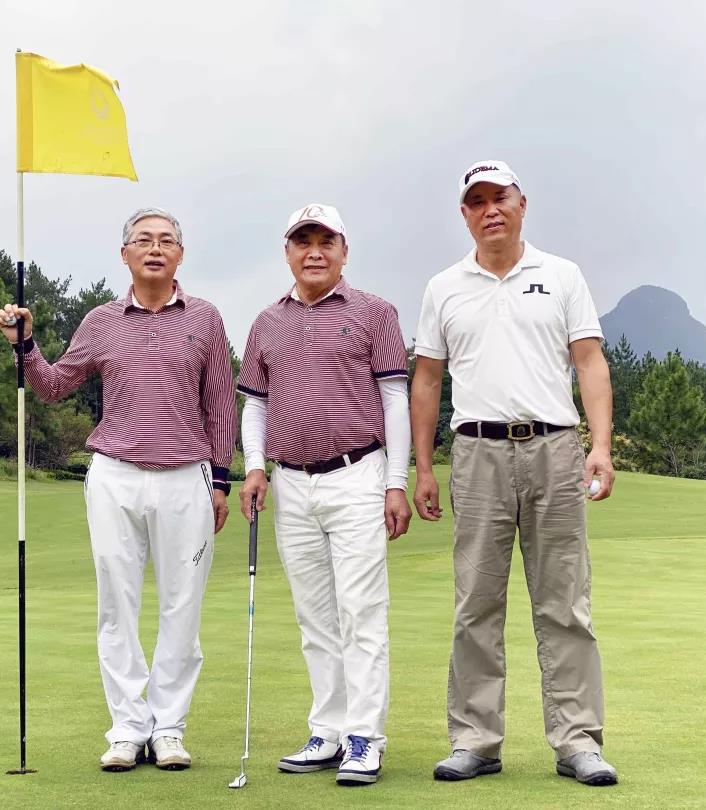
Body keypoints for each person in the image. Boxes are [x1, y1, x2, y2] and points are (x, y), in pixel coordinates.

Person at [0, 208, 236, 773]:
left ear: (180, 255)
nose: (155, 248)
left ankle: (168, 729)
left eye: (167, 240)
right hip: (114, 476)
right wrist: (24, 345)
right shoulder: (101, 319)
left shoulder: (205, 317)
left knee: (182, 607)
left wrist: (221, 478)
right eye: (143, 240)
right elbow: (53, 385)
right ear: (124, 254)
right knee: (116, 606)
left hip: (187, 476)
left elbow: (221, 403)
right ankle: (128, 728)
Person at [410, 161, 618, 787]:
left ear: (522, 203)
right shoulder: (444, 287)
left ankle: (577, 740)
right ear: (464, 214)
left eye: (500, 197)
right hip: (477, 453)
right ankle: (475, 739)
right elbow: (427, 379)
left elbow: (589, 362)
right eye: (477, 202)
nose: (490, 210)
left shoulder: (562, 275)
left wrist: (600, 445)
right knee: (476, 602)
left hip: (554, 447)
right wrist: (423, 466)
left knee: (565, 602)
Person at [236, 203, 412, 787]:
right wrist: (255, 468)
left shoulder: (374, 312)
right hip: (290, 482)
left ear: (344, 251)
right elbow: (256, 404)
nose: (314, 251)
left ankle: (365, 737)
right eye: (303, 241)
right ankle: (328, 730)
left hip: (357, 473)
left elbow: (394, 399)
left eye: (326, 241)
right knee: (315, 617)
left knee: (361, 612)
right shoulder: (266, 322)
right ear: (287, 252)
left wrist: (395, 481)